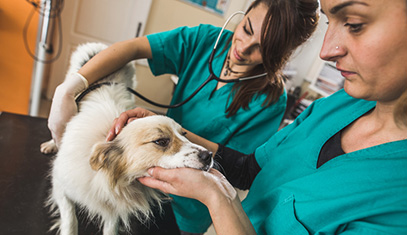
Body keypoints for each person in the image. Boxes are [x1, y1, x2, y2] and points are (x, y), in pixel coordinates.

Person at [111, 0, 407, 234]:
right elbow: (248, 169)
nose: (326, 52)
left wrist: (217, 198)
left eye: (354, 24)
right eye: (331, 22)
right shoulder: (338, 104)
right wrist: (171, 129)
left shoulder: (396, 201)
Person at [47, 0, 319, 233]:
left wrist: (169, 132)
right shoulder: (206, 41)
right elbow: (132, 49)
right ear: (244, 14)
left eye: (262, 47)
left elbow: (244, 170)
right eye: (246, 29)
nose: (243, 48)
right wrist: (70, 87)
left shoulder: (270, 100)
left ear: (280, 55)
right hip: (144, 188)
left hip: (188, 208)